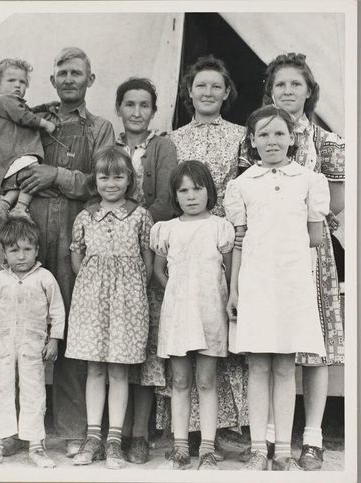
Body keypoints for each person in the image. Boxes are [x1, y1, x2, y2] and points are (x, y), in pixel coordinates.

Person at [239, 53, 345, 470]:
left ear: (309, 91)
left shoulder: (327, 141)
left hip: (310, 252)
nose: (287, 91)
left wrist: (308, 220)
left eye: (295, 84)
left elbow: (335, 201)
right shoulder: (257, 132)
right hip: (266, 255)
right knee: (270, 347)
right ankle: (267, 438)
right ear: (270, 90)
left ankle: (312, 438)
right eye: (279, 84)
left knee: (314, 348)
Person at [16, 47, 115, 457]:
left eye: (77, 73)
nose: (69, 79)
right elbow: (11, 161)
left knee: (73, 325)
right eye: (63, 73)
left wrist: (55, 174)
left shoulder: (100, 128)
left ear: (90, 80)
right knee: (28, 321)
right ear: (52, 80)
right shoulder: (34, 119)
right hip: (35, 226)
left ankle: (74, 426)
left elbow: (102, 181)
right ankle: (24, 427)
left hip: (77, 229)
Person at [225, 106, 329, 471]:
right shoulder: (242, 185)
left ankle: (283, 450)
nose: (272, 141)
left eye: (279, 133)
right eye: (264, 134)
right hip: (255, 284)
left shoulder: (308, 181)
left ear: (292, 138)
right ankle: (258, 448)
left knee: (285, 366)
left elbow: (315, 237)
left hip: (290, 284)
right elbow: (239, 241)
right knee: (257, 366)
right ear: (252, 141)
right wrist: (235, 291)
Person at [162, 54, 248, 456]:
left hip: (226, 236)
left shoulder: (242, 135)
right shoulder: (173, 139)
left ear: (227, 92)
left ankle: (224, 430)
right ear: (189, 92)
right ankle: (184, 435)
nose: (208, 92)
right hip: (184, 241)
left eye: (217, 85)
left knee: (219, 342)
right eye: (201, 86)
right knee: (185, 349)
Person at [65, 146, 154, 470]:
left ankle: (114, 439)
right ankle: (93, 437)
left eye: (118, 177)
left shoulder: (140, 215)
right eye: (104, 177)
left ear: (129, 179)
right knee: (95, 368)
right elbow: (77, 258)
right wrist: (96, 284)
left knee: (119, 369)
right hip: (92, 300)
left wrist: (129, 289)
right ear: (96, 180)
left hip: (128, 301)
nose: (111, 183)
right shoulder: (86, 216)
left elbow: (147, 261)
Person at [151, 161, 234, 471]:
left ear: (209, 191)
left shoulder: (219, 227)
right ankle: (181, 448)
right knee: (181, 380)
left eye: (197, 189)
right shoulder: (167, 229)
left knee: (207, 380)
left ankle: (208, 448)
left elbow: (228, 271)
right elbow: (159, 271)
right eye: (183, 190)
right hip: (178, 315)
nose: (191, 196)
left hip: (210, 313)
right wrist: (178, 293)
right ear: (175, 195)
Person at [114, 77, 178, 464]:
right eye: (129, 104)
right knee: (116, 346)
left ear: (154, 111)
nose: (136, 112)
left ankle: (139, 433)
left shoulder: (162, 146)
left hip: (148, 252)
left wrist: (132, 228)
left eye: (144, 105)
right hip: (113, 261)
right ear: (119, 108)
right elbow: (95, 191)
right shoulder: (109, 147)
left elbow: (167, 200)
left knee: (144, 348)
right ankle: (114, 432)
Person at [0, 218, 65, 468]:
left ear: (37, 250)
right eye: (14, 250)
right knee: (1, 392)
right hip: (3, 347)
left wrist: (54, 340)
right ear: (4, 252)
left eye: (27, 249)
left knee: (33, 393)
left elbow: (57, 311)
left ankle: (36, 445)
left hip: (32, 347)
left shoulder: (44, 278)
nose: (22, 256)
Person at [0, 58, 57, 223]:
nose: (17, 85)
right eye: (11, 80)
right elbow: (24, 116)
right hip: (19, 153)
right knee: (33, 176)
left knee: (19, 183)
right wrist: (45, 123)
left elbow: (26, 111)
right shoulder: (7, 100)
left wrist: (44, 107)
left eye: (22, 82)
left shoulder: (4, 103)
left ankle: (4, 204)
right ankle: (20, 207)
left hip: (10, 158)